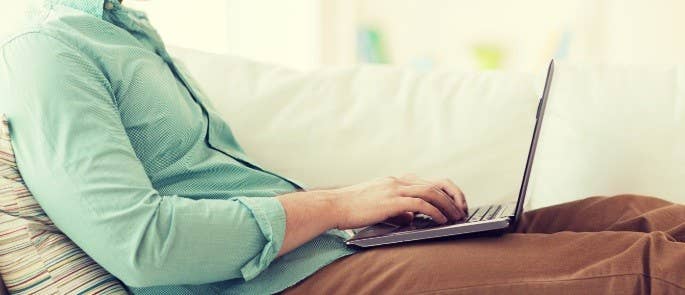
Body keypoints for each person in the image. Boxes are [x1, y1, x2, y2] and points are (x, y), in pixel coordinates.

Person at [0, 1, 682, 294]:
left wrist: (363, 217)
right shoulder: (47, 52)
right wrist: (337, 204)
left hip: (318, 250)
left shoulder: (120, 28)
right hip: (272, 282)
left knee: (640, 215)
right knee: (646, 267)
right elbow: (144, 245)